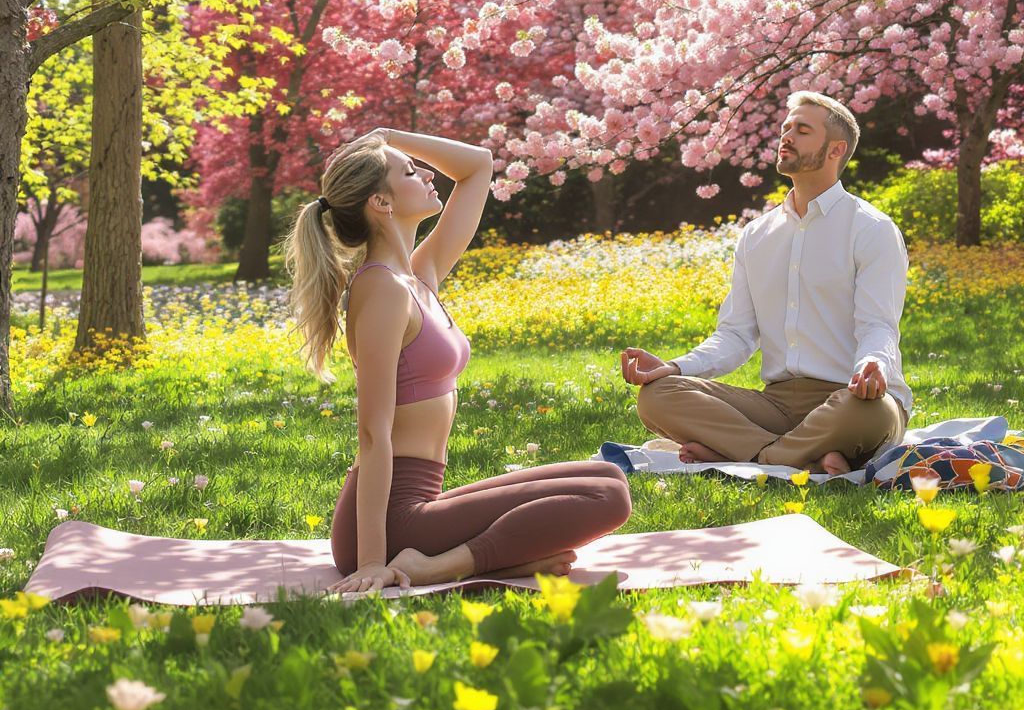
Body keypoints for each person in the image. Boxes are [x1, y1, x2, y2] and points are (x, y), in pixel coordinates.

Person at [286, 128, 631, 593]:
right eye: (411, 172)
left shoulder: (417, 276)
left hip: (418, 503)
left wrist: (389, 136)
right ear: (381, 203)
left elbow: (477, 166)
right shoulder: (382, 289)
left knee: (608, 476)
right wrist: (370, 562)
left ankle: (492, 562)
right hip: (389, 522)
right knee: (607, 498)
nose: (429, 175)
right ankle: (435, 567)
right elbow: (372, 433)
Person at [621, 91, 911, 476]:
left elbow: (878, 325)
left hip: (851, 399)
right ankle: (801, 457)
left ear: (836, 149)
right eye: (786, 128)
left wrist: (874, 362)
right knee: (657, 396)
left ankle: (747, 454)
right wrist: (674, 367)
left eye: (802, 130)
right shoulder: (757, 235)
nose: (786, 137)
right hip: (776, 406)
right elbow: (736, 335)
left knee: (871, 413)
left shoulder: (872, 229)